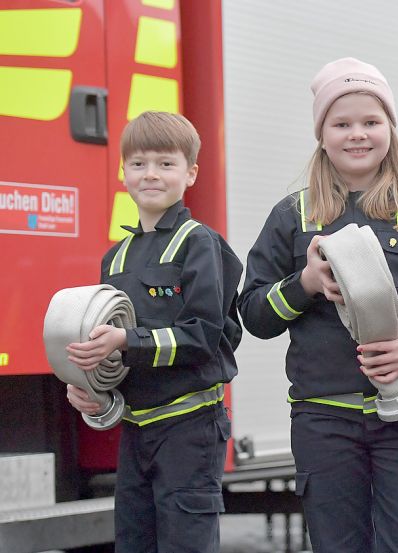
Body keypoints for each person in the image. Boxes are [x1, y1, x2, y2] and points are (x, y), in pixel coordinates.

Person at [237, 57, 398, 553]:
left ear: (390, 127)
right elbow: (254, 315)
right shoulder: (292, 216)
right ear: (321, 134)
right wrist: (303, 283)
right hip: (323, 422)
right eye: (341, 123)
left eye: (371, 122)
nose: (357, 134)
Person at [65, 111, 243, 552]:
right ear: (122, 171)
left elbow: (203, 337)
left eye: (166, 164)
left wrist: (127, 340)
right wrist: (92, 390)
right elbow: (113, 356)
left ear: (191, 173)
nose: (151, 174)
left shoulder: (198, 243)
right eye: (139, 163)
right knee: (133, 543)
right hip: (136, 431)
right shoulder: (115, 259)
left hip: (190, 428)